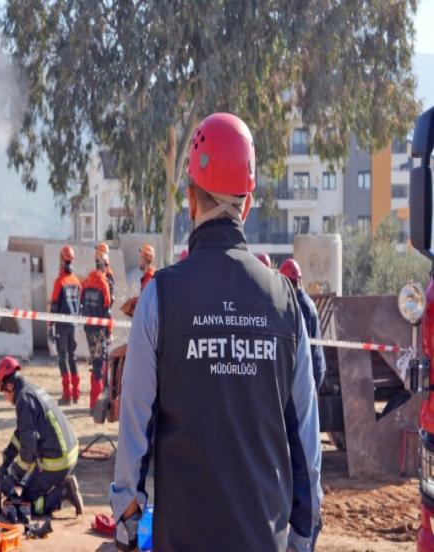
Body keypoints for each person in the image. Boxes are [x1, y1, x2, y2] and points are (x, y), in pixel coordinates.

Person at [110, 113, 322, 551]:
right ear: (247, 204)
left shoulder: (160, 298)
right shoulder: (285, 301)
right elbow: (305, 440)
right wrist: (302, 535)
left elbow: (134, 426)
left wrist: (127, 523)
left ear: (190, 199)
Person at [0, 356, 84, 516]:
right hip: (69, 451)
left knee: (26, 503)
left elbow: (28, 449)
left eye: (3, 392)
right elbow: (23, 431)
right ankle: (62, 485)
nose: (5, 397)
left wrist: (15, 473)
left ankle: (64, 492)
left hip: (57, 461)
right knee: (25, 485)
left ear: (9, 385)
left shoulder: (23, 399)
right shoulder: (31, 390)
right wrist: (9, 454)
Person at [280, 258, 327, 390]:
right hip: (313, 366)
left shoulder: (302, 305)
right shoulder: (302, 300)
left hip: (312, 369)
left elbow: (300, 340)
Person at [49, 245, 81, 403]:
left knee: (63, 358)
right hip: (73, 324)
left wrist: (50, 326)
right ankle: (76, 393)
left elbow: (54, 306)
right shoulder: (76, 281)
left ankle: (67, 395)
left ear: (62, 259)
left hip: (62, 325)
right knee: (73, 358)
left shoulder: (59, 282)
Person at [80, 252, 112, 410]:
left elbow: (81, 305)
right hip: (99, 332)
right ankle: (96, 406)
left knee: (96, 363)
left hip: (88, 330)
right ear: (105, 265)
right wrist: (109, 333)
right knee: (99, 366)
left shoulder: (86, 282)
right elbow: (107, 313)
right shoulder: (103, 285)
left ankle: (94, 403)